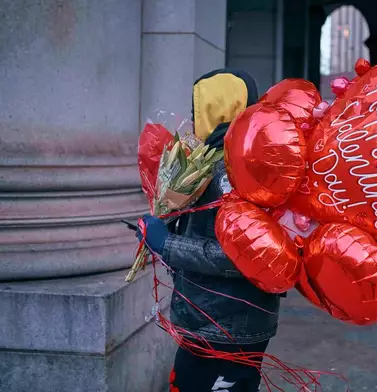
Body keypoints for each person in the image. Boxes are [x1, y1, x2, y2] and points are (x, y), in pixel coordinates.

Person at [137, 69, 281, 392]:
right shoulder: (223, 161)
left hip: (224, 328)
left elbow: (238, 254)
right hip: (218, 324)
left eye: (195, 110)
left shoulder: (233, 172)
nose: (191, 118)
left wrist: (167, 243)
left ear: (216, 110)